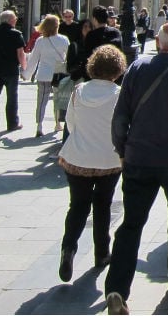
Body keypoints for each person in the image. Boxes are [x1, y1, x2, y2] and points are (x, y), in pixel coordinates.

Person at [104, 23, 168, 315]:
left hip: (138, 159)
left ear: (158, 41)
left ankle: (117, 288)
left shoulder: (136, 68)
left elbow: (120, 114)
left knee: (131, 224)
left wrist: (122, 149)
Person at [57, 45, 126, 282]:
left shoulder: (79, 91)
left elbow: (70, 125)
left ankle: (68, 248)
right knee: (103, 205)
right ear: (117, 69)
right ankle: (101, 251)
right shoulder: (119, 94)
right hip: (108, 158)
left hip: (78, 157)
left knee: (77, 205)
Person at [24, 14, 70, 137]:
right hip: (59, 74)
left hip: (43, 74)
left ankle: (39, 125)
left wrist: (27, 74)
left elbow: (34, 59)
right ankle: (57, 123)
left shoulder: (40, 41)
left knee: (41, 101)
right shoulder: (64, 39)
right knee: (58, 100)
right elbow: (69, 57)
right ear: (57, 26)